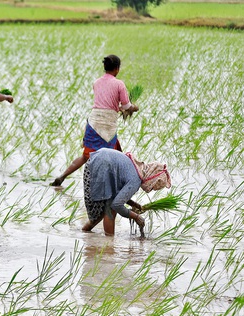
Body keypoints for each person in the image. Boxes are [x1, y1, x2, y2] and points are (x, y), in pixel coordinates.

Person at [51, 55, 139, 187]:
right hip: (108, 126)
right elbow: (126, 106)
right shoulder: (119, 84)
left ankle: (62, 176)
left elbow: (105, 103)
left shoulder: (97, 82)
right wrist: (134, 107)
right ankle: (114, 188)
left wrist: (118, 108)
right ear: (117, 69)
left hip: (93, 123)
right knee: (113, 158)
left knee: (86, 156)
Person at [82, 148, 171, 236]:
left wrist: (133, 204)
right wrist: (136, 217)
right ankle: (109, 243)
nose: (151, 189)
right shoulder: (136, 180)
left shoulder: (137, 170)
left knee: (103, 209)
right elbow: (116, 205)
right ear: (152, 180)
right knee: (110, 209)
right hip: (101, 166)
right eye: (153, 187)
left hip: (96, 161)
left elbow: (118, 194)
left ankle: (86, 231)